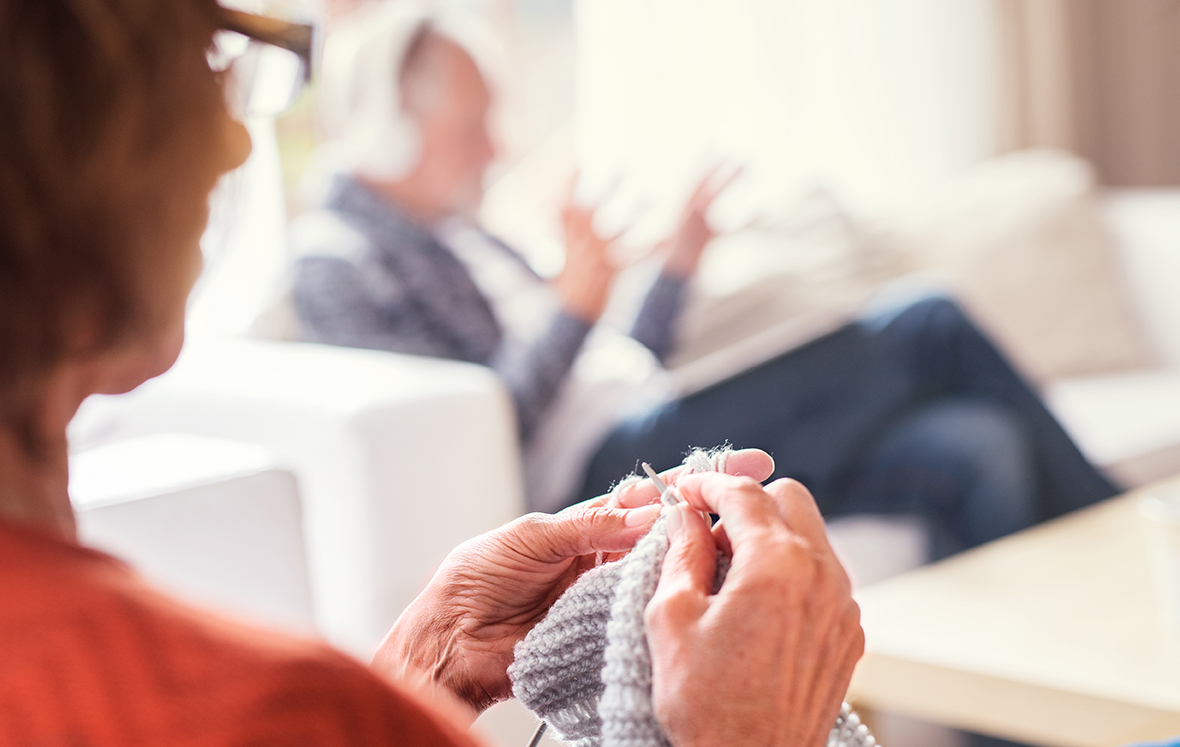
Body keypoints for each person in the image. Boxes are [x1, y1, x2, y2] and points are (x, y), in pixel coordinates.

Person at [0, 0, 863, 745]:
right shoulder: (276, 709)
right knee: (924, 330)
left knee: (960, 448)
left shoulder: (472, 236)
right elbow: (502, 404)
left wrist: (426, 660)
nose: (232, 143)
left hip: (629, 407)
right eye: (207, 52)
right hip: (604, 439)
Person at [291, 2, 1120, 560]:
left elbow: (618, 368)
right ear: (391, 132)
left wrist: (673, 270)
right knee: (929, 322)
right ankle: (1129, 545)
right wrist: (572, 312)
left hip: (635, 423)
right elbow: (468, 439)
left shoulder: (465, 234)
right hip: (593, 484)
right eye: (470, 128)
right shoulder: (341, 263)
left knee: (983, 447)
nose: (493, 149)